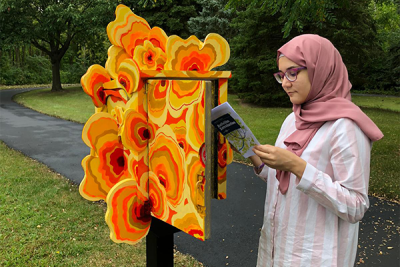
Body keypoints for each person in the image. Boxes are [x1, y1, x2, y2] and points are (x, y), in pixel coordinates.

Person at [249, 34, 383, 267]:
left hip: (316, 256)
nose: (285, 83)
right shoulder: (293, 119)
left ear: (320, 69)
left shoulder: (346, 127)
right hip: (276, 251)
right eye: (281, 75)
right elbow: (284, 181)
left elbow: (356, 206)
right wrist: (255, 158)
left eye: (293, 72)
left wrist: (296, 165)